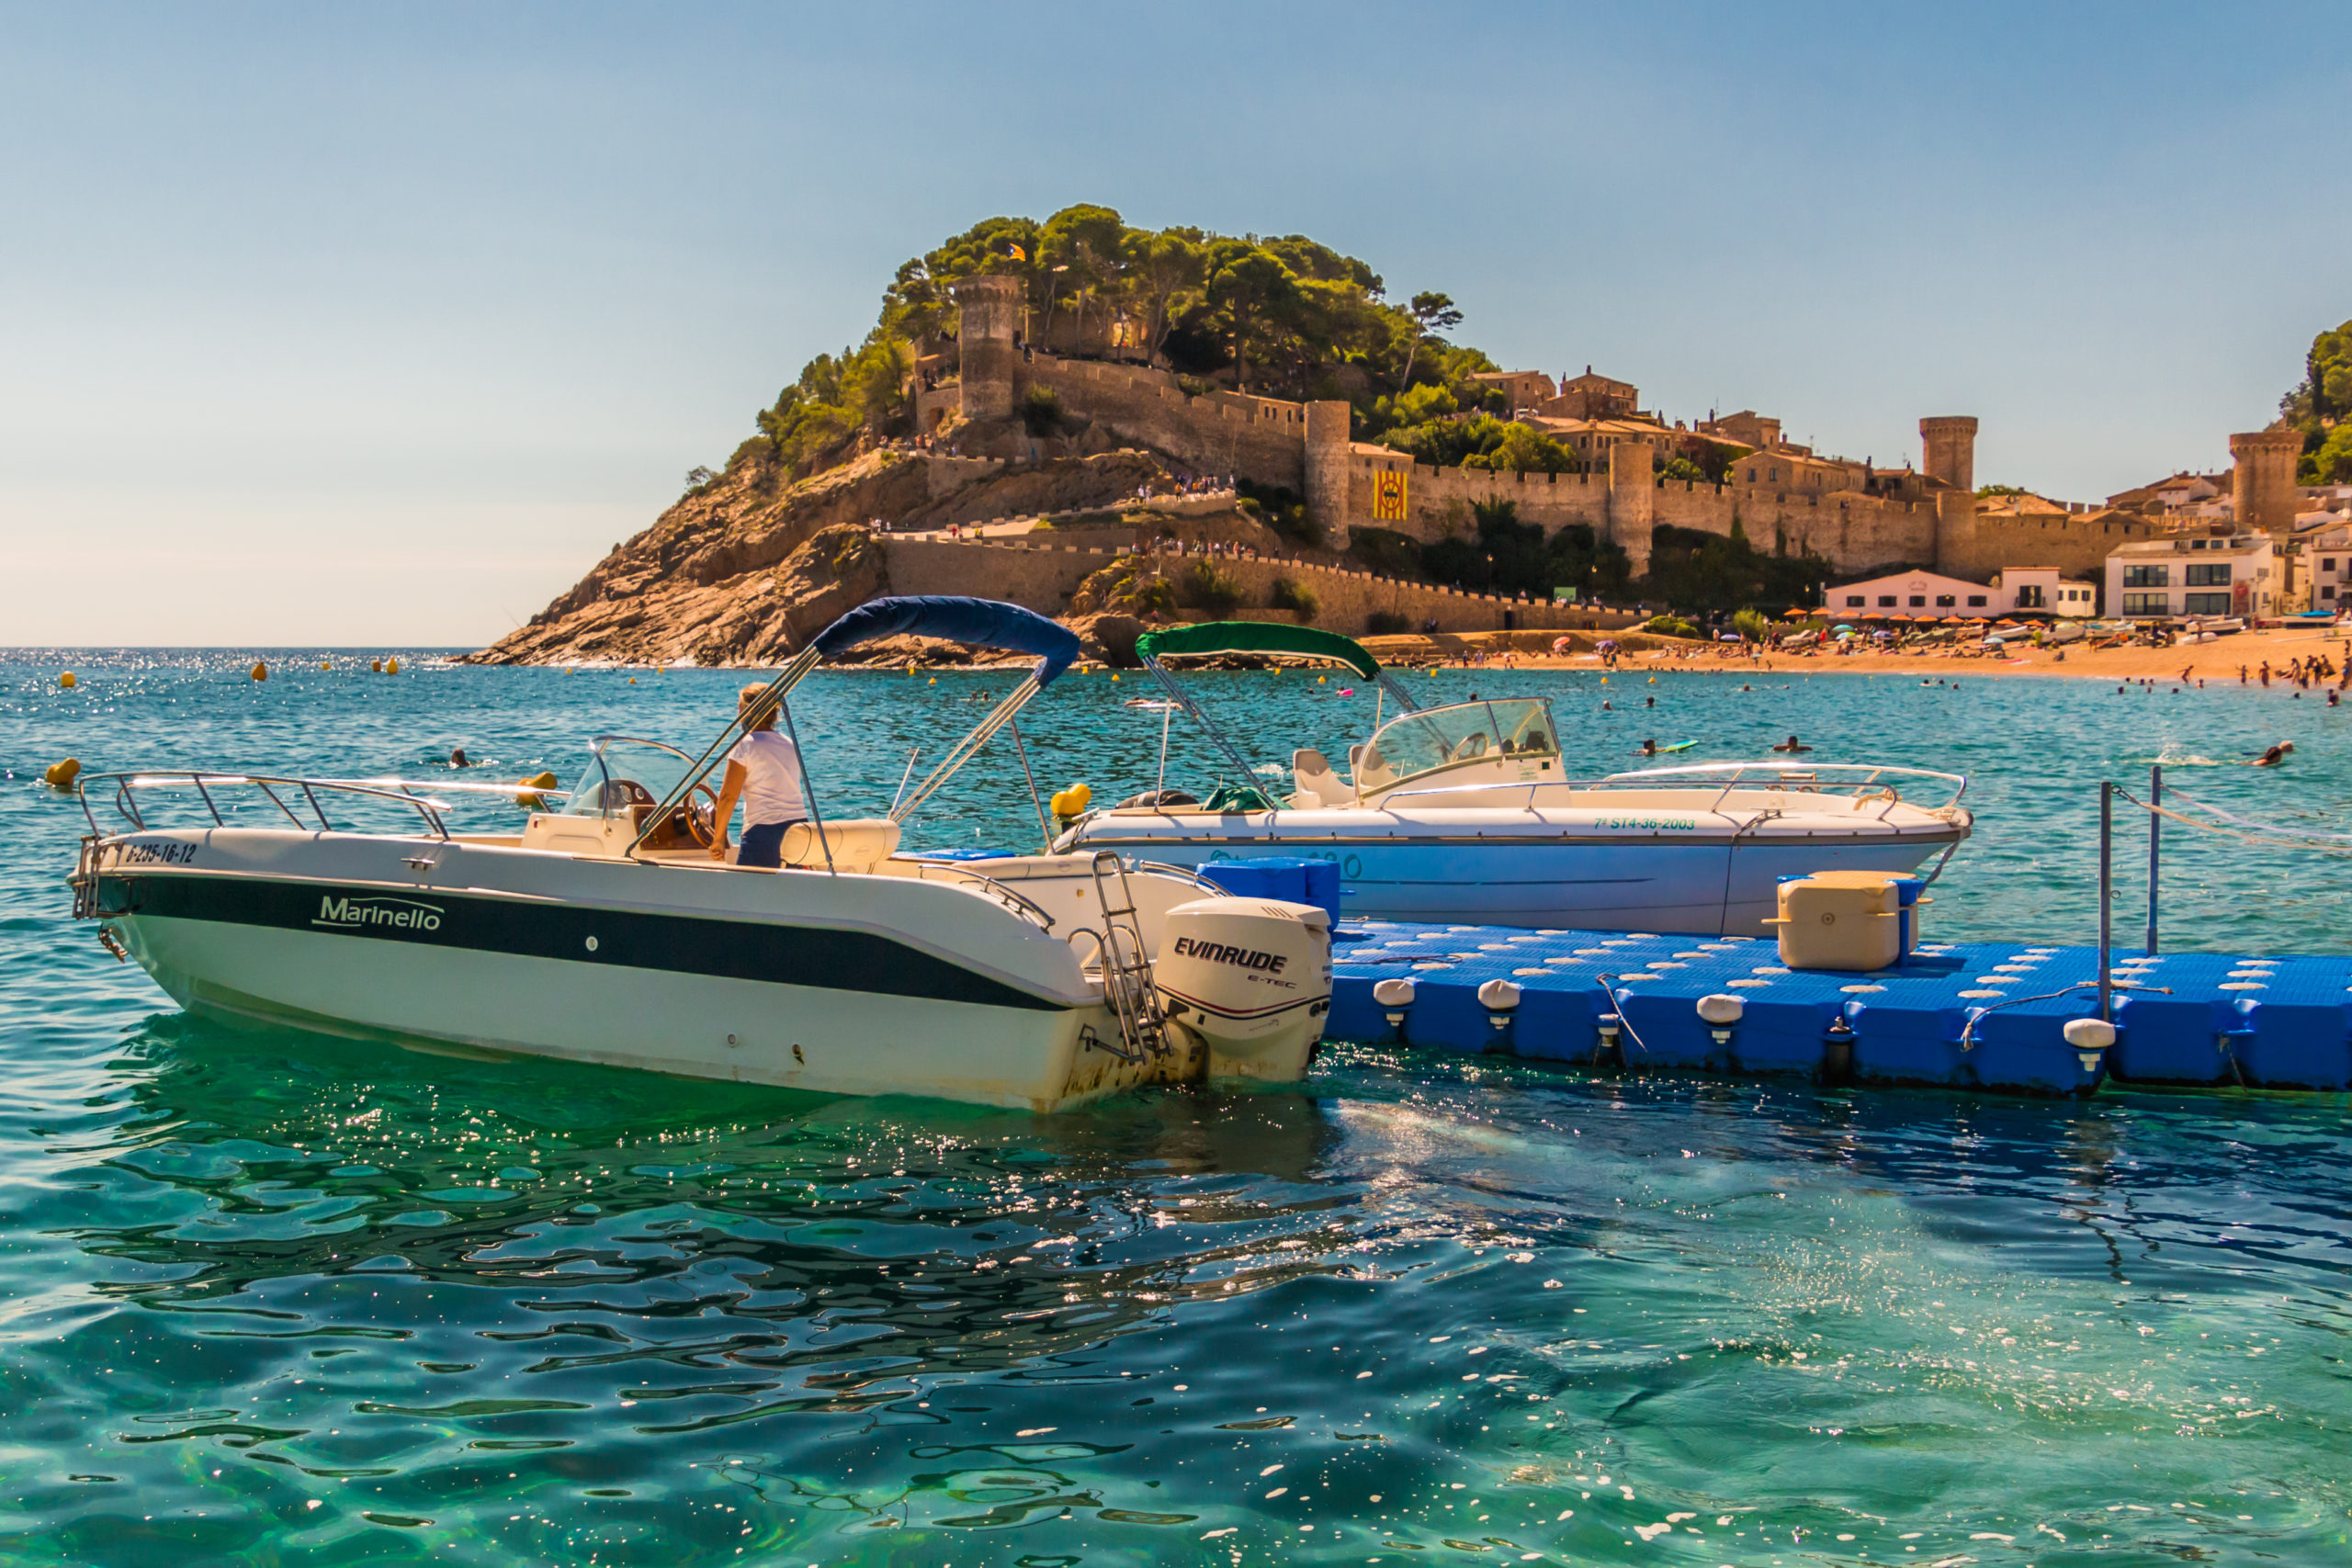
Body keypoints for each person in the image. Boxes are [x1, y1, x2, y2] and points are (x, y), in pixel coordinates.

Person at [709, 684, 808, 866]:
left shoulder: (745, 745)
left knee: (746, 892)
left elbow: (728, 797)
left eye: (739, 708)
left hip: (764, 833)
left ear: (747, 712)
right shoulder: (789, 743)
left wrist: (717, 840)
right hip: (800, 830)